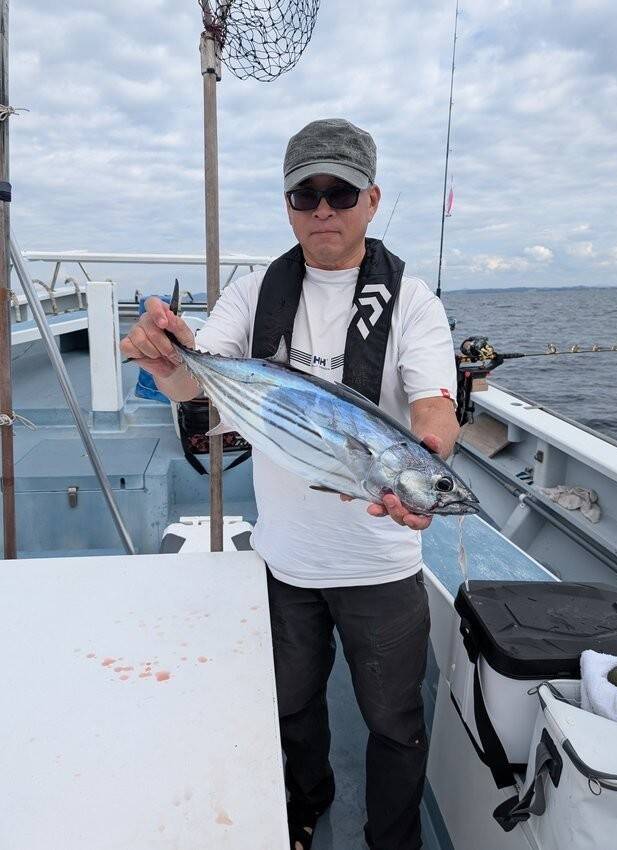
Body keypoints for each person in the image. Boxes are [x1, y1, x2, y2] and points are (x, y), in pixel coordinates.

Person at [121, 118, 459, 850]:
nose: (323, 210)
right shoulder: (253, 294)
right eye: (307, 195)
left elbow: (434, 404)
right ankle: (306, 808)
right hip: (286, 563)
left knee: (396, 724)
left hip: (381, 569)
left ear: (372, 200)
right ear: (288, 205)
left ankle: (393, 840)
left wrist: (428, 454)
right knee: (295, 707)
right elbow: (198, 383)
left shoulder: (413, 301)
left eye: (342, 193)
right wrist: (165, 361)